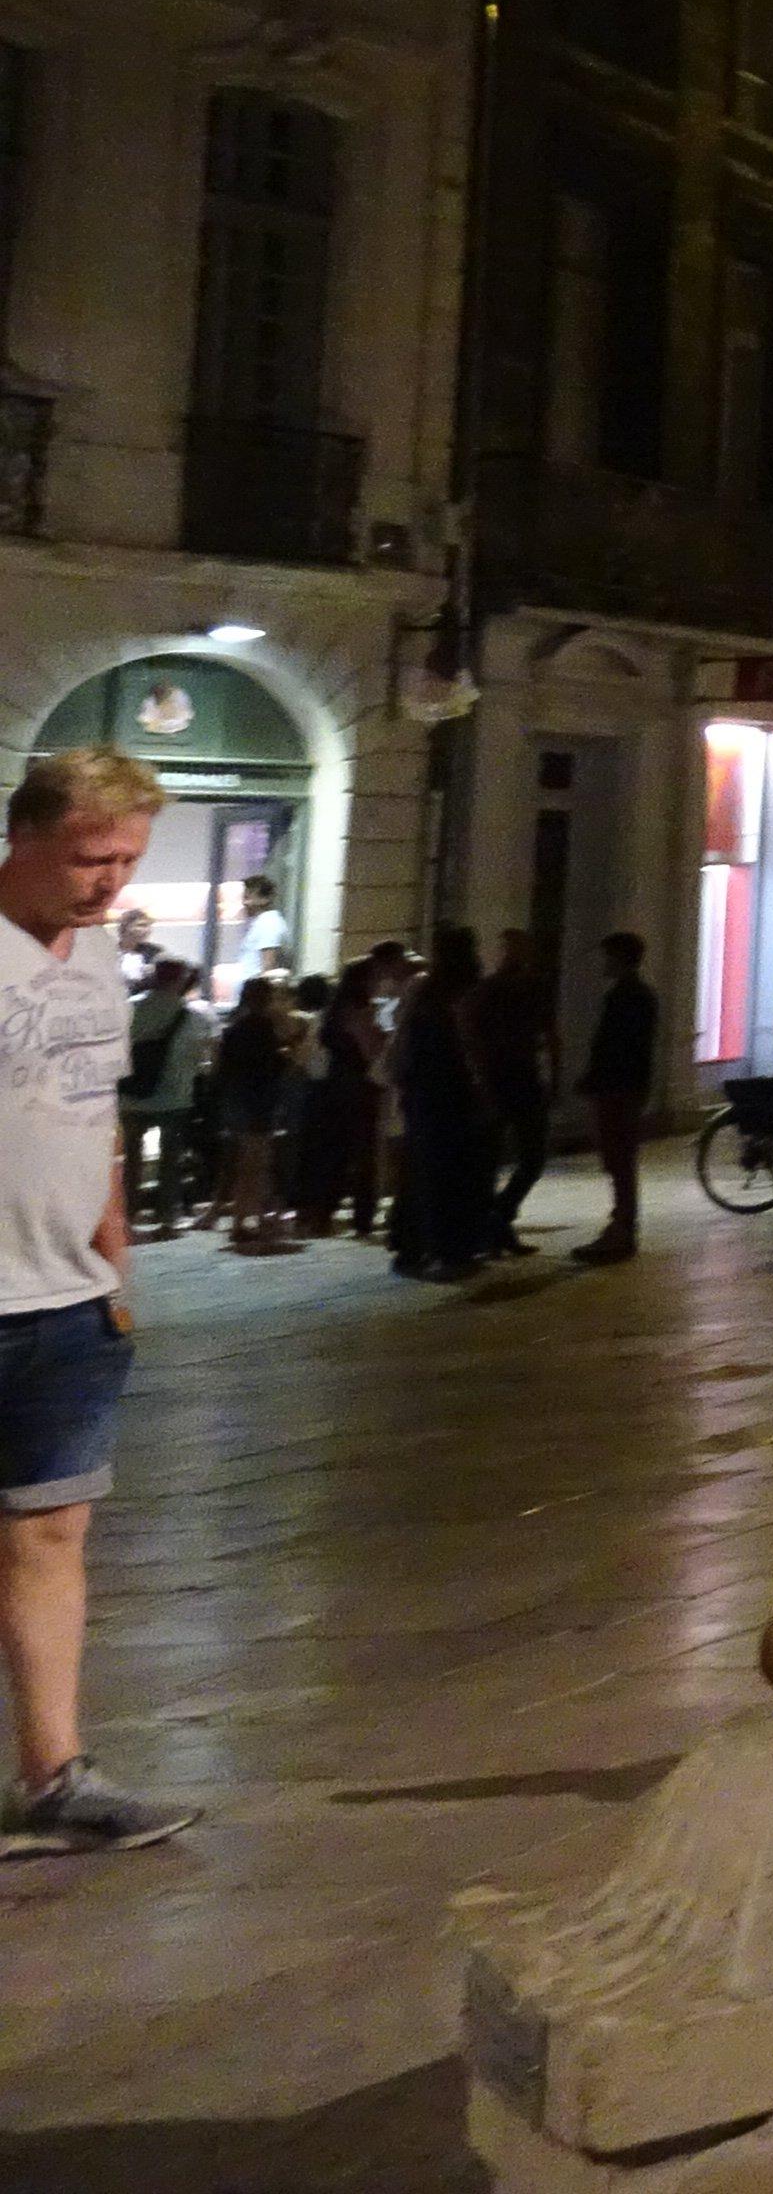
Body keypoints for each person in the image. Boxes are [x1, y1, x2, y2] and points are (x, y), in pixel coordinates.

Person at [0, 745, 195, 1850]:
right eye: (88, 858)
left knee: (52, 1535)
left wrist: (116, 1272)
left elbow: (96, 1123)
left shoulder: (93, 967)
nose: (108, 882)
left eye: (125, 860)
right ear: (23, 837)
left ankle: (55, 1773)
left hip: (67, 1305)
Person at [389, 932, 491, 1281]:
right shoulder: (465, 990)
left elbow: (407, 1039)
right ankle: (451, 1248)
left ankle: (412, 1245)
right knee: (454, 1170)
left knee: (423, 1169)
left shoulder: (426, 990)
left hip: (424, 1091)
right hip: (452, 1092)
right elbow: (471, 1044)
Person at [469, 928, 560, 1256]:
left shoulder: (529, 987)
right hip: (507, 1078)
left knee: (526, 1158)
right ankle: (494, 1224)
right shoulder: (493, 988)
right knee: (504, 1158)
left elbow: (550, 1034)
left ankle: (496, 1220)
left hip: (516, 1078)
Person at [571, 932, 659, 1264]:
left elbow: (613, 1047)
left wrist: (595, 1080)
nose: (603, 963)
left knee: (618, 1159)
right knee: (621, 1160)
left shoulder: (623, 997)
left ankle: (621, 1229)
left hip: (616, 1089)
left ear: (620, 958)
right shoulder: (642, 996)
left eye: (608, 956)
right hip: (628, 1088)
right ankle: (622, 1226)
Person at [295, 948, 389, 1239]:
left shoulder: (332, 1012)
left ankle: (322, 1212)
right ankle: (362, 1216)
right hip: (356, 1089)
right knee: (363, 1153)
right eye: (374, 977)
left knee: (332, 1151)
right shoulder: (358, 1011)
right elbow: (370, 1050)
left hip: (330, 1088)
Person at [112, 958, 204, 1241]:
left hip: (132, 1095)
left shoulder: (132, 1007)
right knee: (170, 1160)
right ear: (180, 980)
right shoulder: (190, 1016)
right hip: (174, 1097)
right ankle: (167, 1219)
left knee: (132, 1160)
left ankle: (128, 1218)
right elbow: (196, 1057)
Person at [208, 978, 298, 1255]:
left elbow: (222, 1067)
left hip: (237, 1100)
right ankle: (255, 1219)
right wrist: (288, 1052)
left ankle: (240, 1219)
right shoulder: (265, 1028)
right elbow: (273, 1067)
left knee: (243, 1163)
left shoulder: (235, 1027)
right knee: (257, 1164)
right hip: (259, 1103)